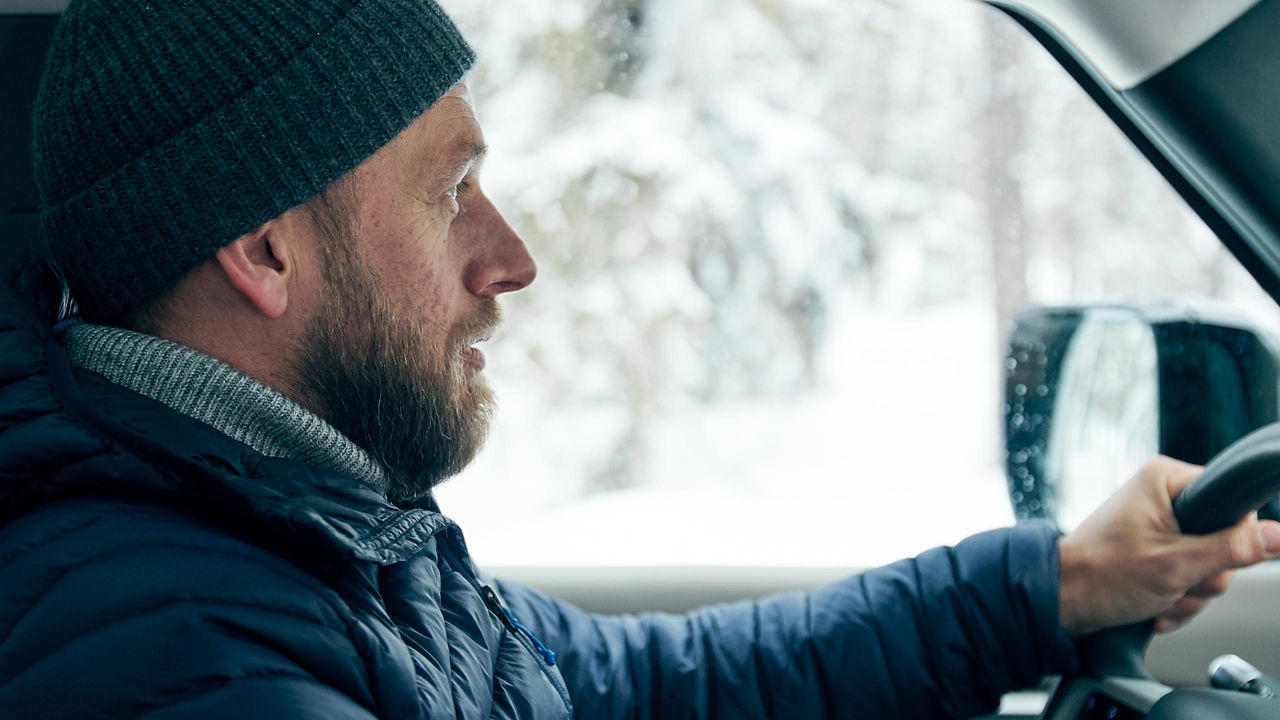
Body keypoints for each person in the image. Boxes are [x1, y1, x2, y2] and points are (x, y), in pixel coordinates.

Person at [0, 1, 1277, 717]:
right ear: (264, 250)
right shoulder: (175, 657)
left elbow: (650, 680)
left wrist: (1042, 588)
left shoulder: (318, 539)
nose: (510, 259)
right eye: (449, 194)